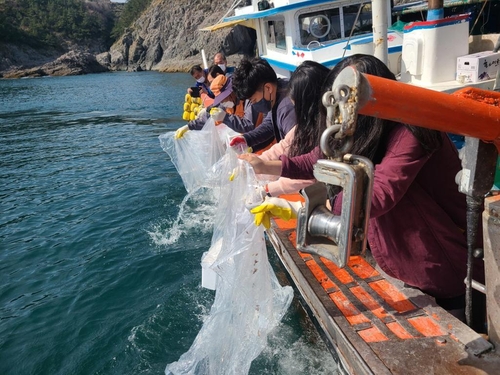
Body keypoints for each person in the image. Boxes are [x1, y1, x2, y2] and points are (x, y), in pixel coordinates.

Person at [239, 54, 485, 320]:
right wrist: (264, 166)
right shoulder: (366, 129)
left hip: (444, 266)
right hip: (407, 262)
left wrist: (305, 211)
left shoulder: (412, 131)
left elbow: (379, 193)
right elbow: (317, 159)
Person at [252, 60, 329, 199]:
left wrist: (268, 188)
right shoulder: (310, 123)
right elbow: (288, 143)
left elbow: (312, 169)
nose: (297, 113)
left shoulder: (330, 131)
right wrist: (258, 164)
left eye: (299, 107)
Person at [230, 57, 296, 152]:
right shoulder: (278, 89)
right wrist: (246, 139)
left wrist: (265, 163)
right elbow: (269, 125)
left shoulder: (287, 110)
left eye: (253, 100)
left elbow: (296, 150)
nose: (253, 104)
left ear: (268, 88)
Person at [175, 75, 262, 137]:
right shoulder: (228, 102)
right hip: (245, 143)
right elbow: (209, 116)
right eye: (220, 98)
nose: (222, 101)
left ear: (231, 92)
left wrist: (225, 117)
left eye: (224, 97)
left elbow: (249, 125)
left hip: (262, 146)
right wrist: (189, 126)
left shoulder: (249, 99)